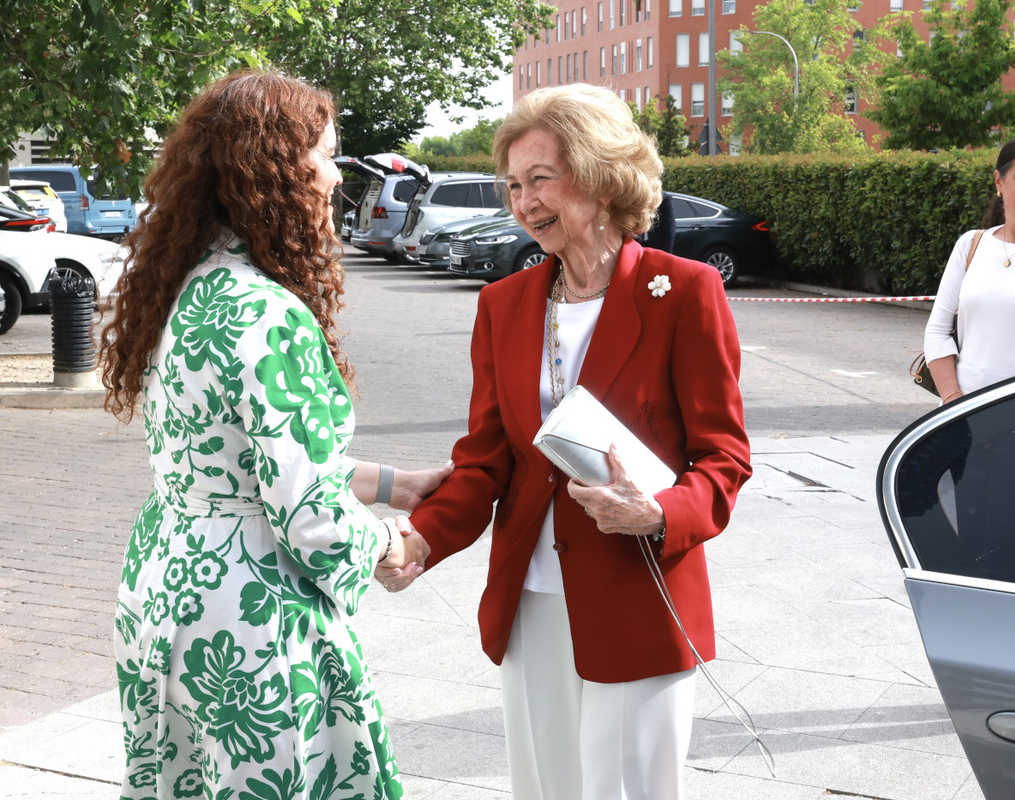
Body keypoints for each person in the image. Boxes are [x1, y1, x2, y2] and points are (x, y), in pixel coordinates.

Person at [378, 84, 752, 800]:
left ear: (603, 176)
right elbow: (487, 461)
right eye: (513, 186)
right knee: (548, 789)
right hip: (532, 593)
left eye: (541, 180)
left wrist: (662, 513)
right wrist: (422, 539)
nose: (523, 202)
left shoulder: (687, 292)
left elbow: (724, 458)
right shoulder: (504, 305)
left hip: (637, 591)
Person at [99, 70, 450, 800]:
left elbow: (243, 461)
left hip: (168, 587)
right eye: (325, 157)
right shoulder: (267, 313)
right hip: (250, 619)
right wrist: (389, 544)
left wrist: (398, 485)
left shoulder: (185, 291)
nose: (334, 179)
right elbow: (309, 516)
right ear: (278, 173)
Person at [924, 139, 1015, 404]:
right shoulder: (970, 245)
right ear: (999, 182)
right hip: (966, 415)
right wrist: (953, 402)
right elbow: (937, 332)